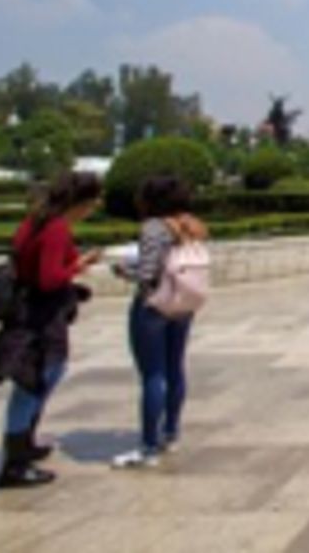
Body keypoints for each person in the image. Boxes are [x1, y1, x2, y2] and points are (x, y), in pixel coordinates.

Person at [0, 171, 104, 489]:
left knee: (40, 377)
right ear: (82, 202)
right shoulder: (57, 229)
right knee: (35, 381)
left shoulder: (35, 221)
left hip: (26, 310)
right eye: (93, 202)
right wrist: (75, 268)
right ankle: (15, 464)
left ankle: (24, 445)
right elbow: (49, 278)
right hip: (41, 315)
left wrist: (74, 262)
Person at [111, 176, 208, 469]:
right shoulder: (191, 225)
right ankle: (171, 432)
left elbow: (148, 273)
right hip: (183, 304)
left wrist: (122, 269)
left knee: (153, 375)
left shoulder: (154, 228)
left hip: (154, 306)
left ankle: (148, 446)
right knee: (175, 368)